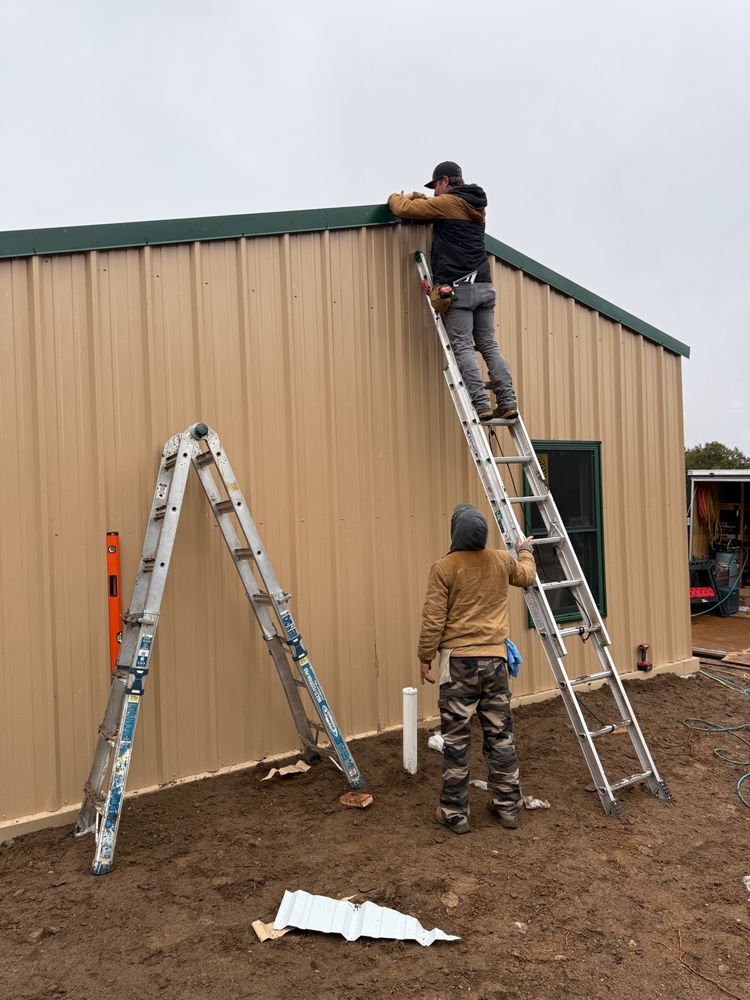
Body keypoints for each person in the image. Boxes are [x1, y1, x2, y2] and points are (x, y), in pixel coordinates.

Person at [417, 504, 536, 833]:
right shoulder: (501, 560)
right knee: (500, 736)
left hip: (459, 666)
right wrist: (524, 550)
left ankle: (455, 814)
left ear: (455, 533)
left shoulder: (444, 567)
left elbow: (433, 620)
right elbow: (527, 576)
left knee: (456, 741)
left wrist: (425, 657)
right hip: (496, 663)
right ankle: (508, 807)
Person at [388, 161, 518, 421]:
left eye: (435, 186)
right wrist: (423, 196)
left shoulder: (447, 204)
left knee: (463, 346)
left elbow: (404, 209)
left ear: (445, 181)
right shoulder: (475, 206)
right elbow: (436, 204)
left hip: (459, 289)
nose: (435, 192)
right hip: (484, 285)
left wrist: (397, 196)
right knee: (489, 345)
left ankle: (481, 404)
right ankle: (508, 401)